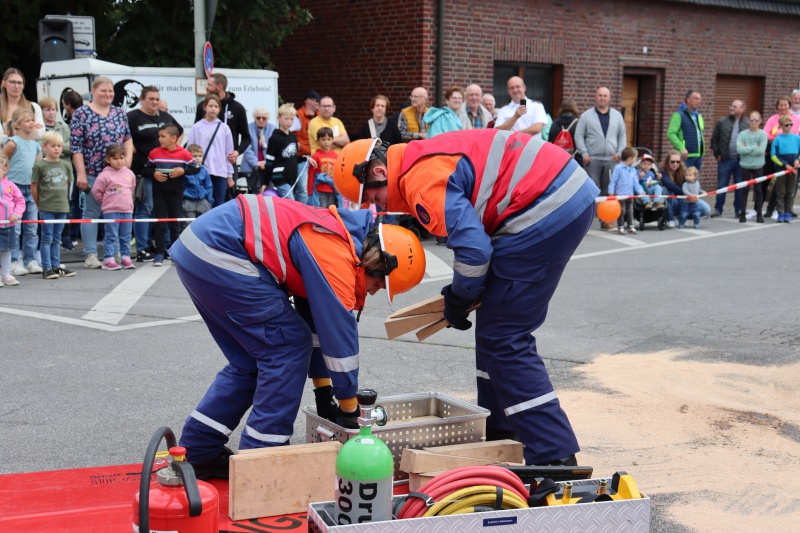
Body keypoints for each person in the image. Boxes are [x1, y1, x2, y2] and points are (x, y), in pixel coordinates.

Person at [334, 130, 599, 466]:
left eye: (372, 197)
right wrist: (465, 294)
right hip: (556, 194)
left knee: (504, 337)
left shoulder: (418, 180)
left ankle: (554, 456)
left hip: (545, 206)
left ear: (379, 172)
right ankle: (504, 434)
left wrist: (460, 297)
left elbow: (474, 253)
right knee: (492, 329)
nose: (377, 207)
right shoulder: (419, 160)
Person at [168, 194, 425, 479]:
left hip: (201, 250)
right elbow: (340, 342)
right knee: (286, 347)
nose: (374, 292)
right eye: (378, 284)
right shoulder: (335, 257)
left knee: (250, 363)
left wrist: (323, 389)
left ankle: (199, 452)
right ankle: (263, 465)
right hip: (221, 252)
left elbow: (316, 324)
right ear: (376, 263)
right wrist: (349, 408)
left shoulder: (335, 238)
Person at [70, 76, 133, 269]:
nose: (108, 94)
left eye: (110, 91)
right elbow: (76, 147)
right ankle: (90, 254)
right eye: (103, 91)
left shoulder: (118, 113)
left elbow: (127, 138)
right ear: (94, 91)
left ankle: (113, 253)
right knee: (91, 212)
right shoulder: (82, 113)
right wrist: (80, 173)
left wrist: (127, 162)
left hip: (118, 174)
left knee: (116, 213)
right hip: (92, 172)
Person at [128, 86, 184, 262]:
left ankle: (165, 245)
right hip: (146, 171)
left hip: (167, 173)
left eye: (157, 99)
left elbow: (179, 131)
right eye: (151, 99)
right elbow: (125, 138)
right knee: (145, 208)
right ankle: (143, 247)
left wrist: (173, 151)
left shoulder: (165, 117)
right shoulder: (132, 117)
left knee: (165, 211)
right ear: (142, 99)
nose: (154, 102)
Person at [144, 125, 201, 266]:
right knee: (160, 223)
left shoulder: (184, 154)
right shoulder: (154, 153)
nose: (160, 139)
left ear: (174, 138)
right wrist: (154, 174)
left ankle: (175, 253)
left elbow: (196, 168)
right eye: (159, 136)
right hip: (159, 194)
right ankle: (159, 252)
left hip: (176, 194)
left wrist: (183, 171)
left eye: (163, 136)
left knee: (175, 223)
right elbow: (145, 169)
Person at [3, 108, 43, 276]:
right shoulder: (13, 142)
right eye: (27, 120)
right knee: (16, 227)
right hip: (14, 189)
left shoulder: (36, 145)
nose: (31, 123)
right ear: (17, 125)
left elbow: (39, 166)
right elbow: (3, 161)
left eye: (32, 120)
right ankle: (13, 261)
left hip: (30, 188)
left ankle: (30, 259)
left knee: (32, 226)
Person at [31, 131, 75, 279]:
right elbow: (34, 187)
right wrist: (39, 204)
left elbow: (68, 185)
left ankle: (56, 266)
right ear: (45, 147)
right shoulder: (40, 165)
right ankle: (46, 267)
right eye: (53, 146)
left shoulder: (66, 165)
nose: (57, 149)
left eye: (59, 146)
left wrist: (66, 203)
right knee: (47, 238)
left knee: (57, 238)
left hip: (62, 207)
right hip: (46, 207)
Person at [574, 87, 626, 209]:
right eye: (600, 95)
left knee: (608, 189)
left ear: (609, 99)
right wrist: (584, 153)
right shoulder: (586, 116)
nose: (602, 98)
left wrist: (619, 153)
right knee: (589, 189)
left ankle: (606, 220)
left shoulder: (617, 116)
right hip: (592, 159)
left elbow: (622, 135)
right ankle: (587, 217)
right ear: (595, 97)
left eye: (605, 95)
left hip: (611, 159)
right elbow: (579, 135)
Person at [194, 73, 251, 177]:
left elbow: (246, 137)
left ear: (219, 87)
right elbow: (195, 133)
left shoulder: (237, 108)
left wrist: (237, 152)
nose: (206, 87)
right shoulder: (202, 107)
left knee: (227, 193)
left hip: (227, 162)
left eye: (209, 85)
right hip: (205, 162)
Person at [92, 144, 137, 270]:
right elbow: (96, 191)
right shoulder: (104, 175)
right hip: (111, 211)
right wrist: (107, 202)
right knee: (111, 235)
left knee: (126, 235)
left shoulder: (129, 173)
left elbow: (132, 187)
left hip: (127, 210)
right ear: (108, 160)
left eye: (121, 158)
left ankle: (126, 257)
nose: (119, 161)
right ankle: (108, 259)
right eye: (115, 158)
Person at [187, 94, 234, 208]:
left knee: (219, 204)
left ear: (219, 109)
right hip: (201, 171)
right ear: (205, 107)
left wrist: (229, 175)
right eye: (210, 106)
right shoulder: (197, 127)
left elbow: (229, 152)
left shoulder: (224, 128)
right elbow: (189, 150)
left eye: (216, 106)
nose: (213, 109)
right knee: (203, 204)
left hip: (220, 172)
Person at [710, 99, 748, 218]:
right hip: (725, 160)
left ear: (742, 109)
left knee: (740, 185)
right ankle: (718, 209)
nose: (731, 108)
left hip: (741, 161)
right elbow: (714, 139)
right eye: (731, 106)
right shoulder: (722, 122)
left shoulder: (747, 123)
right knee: (722, 185)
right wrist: (717, 153)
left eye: (734, 106)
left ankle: (739, 209)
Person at [659, 150, 711, 228]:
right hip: (673, 200)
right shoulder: (663, 172)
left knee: (706, 210)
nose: (675, 164)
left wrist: (699, 192)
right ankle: (670, 218)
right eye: (672, 162)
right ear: (667, 162)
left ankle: (682, 217)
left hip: (685, 199)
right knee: (665, 190)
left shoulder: (683, 171)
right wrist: (687, 194)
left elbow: (691, 183)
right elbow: (669, 185)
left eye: (678, 162)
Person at [737, 111, 768, 223]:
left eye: (756, 120)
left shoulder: (762, 134)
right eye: (752, 119)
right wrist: (754, 147)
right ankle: (742, 213)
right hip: (745, 165)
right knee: (744, 190)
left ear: (760, 121)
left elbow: (761, 151)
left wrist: (747, 148)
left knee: (758, 190)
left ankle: (759, 213)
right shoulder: (742, 134)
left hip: (758, 165)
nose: (754, 122)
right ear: (748, 121)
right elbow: (740, 150)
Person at [264, 103, 299, 200]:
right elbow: (269, 161)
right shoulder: (274, 138)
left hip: (291, 177)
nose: (289, 122)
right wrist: (265, 182)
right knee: (291, 201)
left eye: (292, 119)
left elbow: (294, 156)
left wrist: (306, 158)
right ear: (278, 118)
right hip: (280, 177)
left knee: (290, 202)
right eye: (286, 118)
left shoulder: (293, 137)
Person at [0, 68, 44, 144]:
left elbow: (41, 134)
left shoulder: (34, 107)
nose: (16, 86)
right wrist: (28, 130)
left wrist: (10, 132)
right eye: (12, 82)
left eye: (19, 83)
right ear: (4, 83)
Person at [769, 115, 800, 222]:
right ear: (781, 126)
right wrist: (785, 165)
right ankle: (781, 212)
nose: (789, 126)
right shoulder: (777, 140)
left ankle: (788, 212)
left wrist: (797, 160)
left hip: (794, 168)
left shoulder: (797, 138)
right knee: (781, 192)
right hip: (782, 169)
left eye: (791, 124)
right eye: (786, 125)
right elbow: (773, 156)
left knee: (791, 192)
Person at [0, 154, 25, 287]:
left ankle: (6, 274)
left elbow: (20, 201)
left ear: (5, 170)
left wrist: (16, 213)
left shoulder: (11, 185)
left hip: (8, 225)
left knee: (6, 250)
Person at [608, 147, 645, 234]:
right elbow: (613, 181)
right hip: (621, 195)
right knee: (622, 211)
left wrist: (641, 191)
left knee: (630, 211)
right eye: (635, 158)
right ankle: (620, 226)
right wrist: (611, 192)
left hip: (630, 194)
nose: (636, 160)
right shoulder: (618, 168)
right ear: (630, 158)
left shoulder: (632, 169)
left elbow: (635, 183)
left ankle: (630, 226)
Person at [240, 107, 276, 194]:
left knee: (268, 192)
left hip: (268, 166)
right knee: (255, 193)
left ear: (267, 118)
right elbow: (247, 148)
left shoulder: (273, 129)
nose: (260, 120)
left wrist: (266, 163)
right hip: (251, 167)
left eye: (263, 118)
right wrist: (256, 163)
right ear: (254, 117)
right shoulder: (248, 128)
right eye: (258, 117)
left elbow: (274, 148)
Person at [667, 90, 705, 170]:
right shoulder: (678, 115)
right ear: (688, 99)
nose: (698, 101)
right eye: (696, 98)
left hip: (698, 155)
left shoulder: (698, 116)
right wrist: (681, 148)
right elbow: (671, 133)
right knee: (682, 179)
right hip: (686, 156)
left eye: (699, 99)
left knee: (694, 181)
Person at [183, 144, 214, 228]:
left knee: (204, 223)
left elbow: (209, 186)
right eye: (194, 156)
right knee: (188, 224)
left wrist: (209, 200)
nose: (197, 158)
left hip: (203, 200)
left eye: (200, 156)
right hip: (188, 200)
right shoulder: (185, 170)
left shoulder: (204, 170)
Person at [307, 127, 339, 208]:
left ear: (332, 140)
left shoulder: (337, 156)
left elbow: (339, 174)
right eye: (323, 139)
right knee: (321, 211)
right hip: (319, 190)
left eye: (328, 139)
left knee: (332, 212)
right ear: (318, 140)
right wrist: (310, 191)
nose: (326, 142)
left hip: (332, 190)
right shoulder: (316, 156)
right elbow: (311, 174)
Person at [548, 99, 583, 166]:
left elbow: (550, 141)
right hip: (574, 161)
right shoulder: (578, 124)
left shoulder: (555, 123)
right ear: (575, 108)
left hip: (557, 161)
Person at [290, 90, 320, 158]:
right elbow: (287, 134)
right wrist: (299, 146)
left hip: (319, 155)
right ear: (308, 100)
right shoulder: (297, 115)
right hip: (303, 157)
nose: (319, 103)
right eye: (317, 100)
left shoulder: (321, 116)